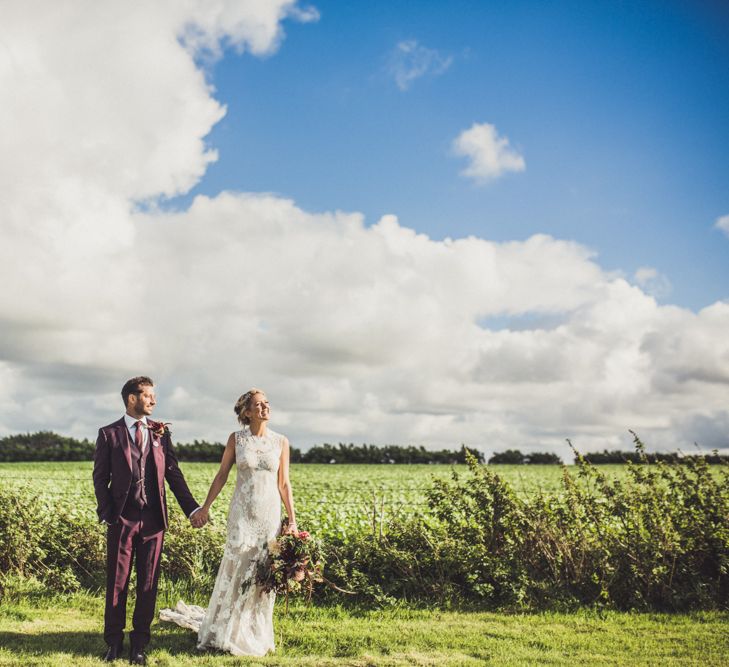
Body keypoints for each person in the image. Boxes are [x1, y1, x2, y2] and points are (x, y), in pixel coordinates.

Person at [160, 388, 297, 657]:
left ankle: (255, 631)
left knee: (263, 572)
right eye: (259, 404)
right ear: (246, 412)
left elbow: (284, 483)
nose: (265, 408)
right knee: (237, 567)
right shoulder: (236, 440)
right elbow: (222, 474)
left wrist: (292, 520)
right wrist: (205, 507)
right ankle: (228, 630)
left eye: (267, 403)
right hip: (242, 515)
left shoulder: (281, 441)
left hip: (268, 515)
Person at [92, 376, 206, 665]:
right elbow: (100, 476)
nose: (154, 401)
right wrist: (107, 513)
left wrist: (192, 509)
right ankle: (114, 643)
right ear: (132, 398)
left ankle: (139, 644)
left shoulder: (160, 434)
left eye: (154, 396)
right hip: (122, 520)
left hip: (154, 522)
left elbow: (173, 474)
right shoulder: (109, 434)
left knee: (148, 584)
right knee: (117, 583)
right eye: (148, 396)